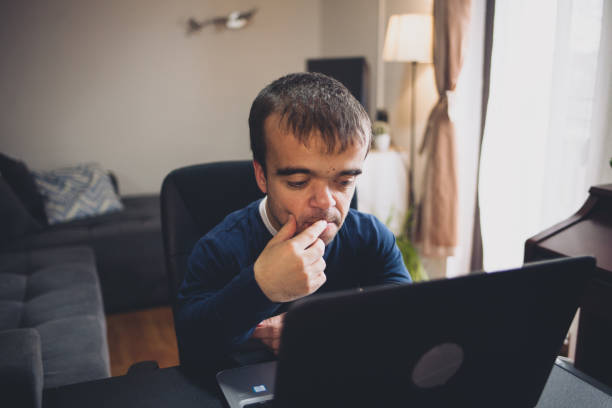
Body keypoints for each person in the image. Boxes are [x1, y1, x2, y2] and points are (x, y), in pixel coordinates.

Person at [175, 72, 411, 363]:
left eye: (344, 181)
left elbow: (408, 320)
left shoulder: (371, 237)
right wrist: (261, 287)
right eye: (299, 181)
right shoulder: (218, 249)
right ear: (262, 176)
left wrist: (320, 328)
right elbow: (193, 347)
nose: (326, 202)